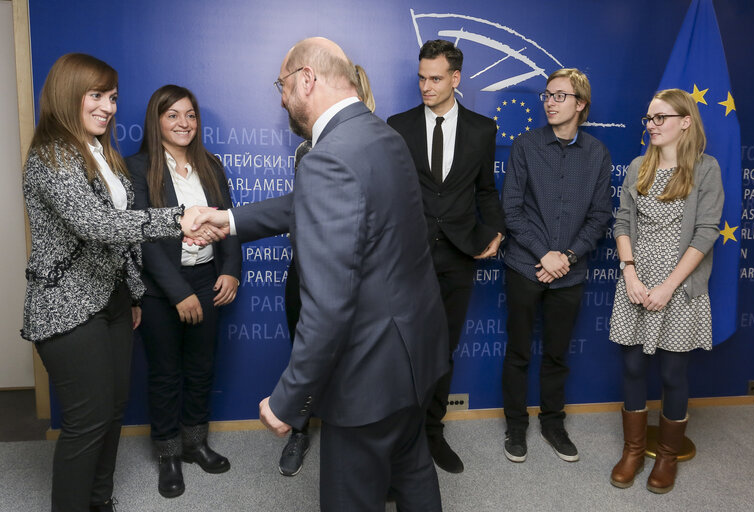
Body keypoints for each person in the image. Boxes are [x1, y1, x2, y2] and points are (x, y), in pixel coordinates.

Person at [191, 37, 448, 511]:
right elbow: (315, 204)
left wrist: (289, 399)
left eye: (282, 85)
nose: (282, 98)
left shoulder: (327, 157)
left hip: (369, 374)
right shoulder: (380, 134)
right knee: (412, 471)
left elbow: (329, 306)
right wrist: (228, 221)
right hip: (416, 354)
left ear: (307, 78)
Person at [20, 53, 204, 512]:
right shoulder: (52, 157)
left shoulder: (103, 152)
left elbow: (119, 237)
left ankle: (100, 501)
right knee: (87, 423)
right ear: (68, 95)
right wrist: (179, 217)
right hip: (67, 306)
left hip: (114, 302)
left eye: (113, 97)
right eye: (96, 95)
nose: (108, 107)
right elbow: (98, 225)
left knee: (112, 413)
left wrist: (134, 293)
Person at [387, 39, 504, 474]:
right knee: (402, 350)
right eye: (421, 77)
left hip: (459, 256)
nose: (425, 86)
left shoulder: (482, 129)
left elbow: (487, 192)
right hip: (406, 257)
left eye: (435, 78)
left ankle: (432, 432)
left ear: (456, 78)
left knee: (443, 350)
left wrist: (496, 232)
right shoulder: (397, 126)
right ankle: (403, 436)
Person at [126, 85, 241, 498]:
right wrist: (178, 293)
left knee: (201, 368)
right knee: (165, 375)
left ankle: (195, 444)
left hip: (207, 280)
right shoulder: (137, 169)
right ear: (156, 121)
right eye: (173, 115)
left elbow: (227, 221)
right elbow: (144, 240)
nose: (183, 123)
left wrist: (230, 271)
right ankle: (169, 455)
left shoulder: (210, 165)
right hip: (162, 290)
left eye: (190, 115)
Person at [609, 88, 723, 493]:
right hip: (636, 282)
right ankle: (634, 451)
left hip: (680, 287)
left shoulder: (706, 169)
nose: (652, 125)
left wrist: (669, 286)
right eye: (649, 119)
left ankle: (668, 458)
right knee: (633, 367)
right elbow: (622, 221)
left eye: (660, 118)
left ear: (685, 122)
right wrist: (631, 274)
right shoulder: (640, 165)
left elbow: (707, 231)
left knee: (673, 374)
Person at [501, 68, 612, 464]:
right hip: (524, 267)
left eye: (559, 96)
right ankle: (515, 426)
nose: (549, 101)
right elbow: (511, 211)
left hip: (570, 273)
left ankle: (552, 424)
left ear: (580, 104)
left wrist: (565, 258)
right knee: (517, 353)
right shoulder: (525, 146)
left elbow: (600, 216)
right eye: (547, 95)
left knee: (557, 354)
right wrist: (543, 254)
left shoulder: (597, 154)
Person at [278, 64, 376, 477]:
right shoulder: (308, 149)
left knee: (354, 364)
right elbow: (301, 213)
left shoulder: (376, 147)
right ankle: (298, 428)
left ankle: (353, 439)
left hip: (356, 281)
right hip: (305, 271)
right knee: (304, 351)